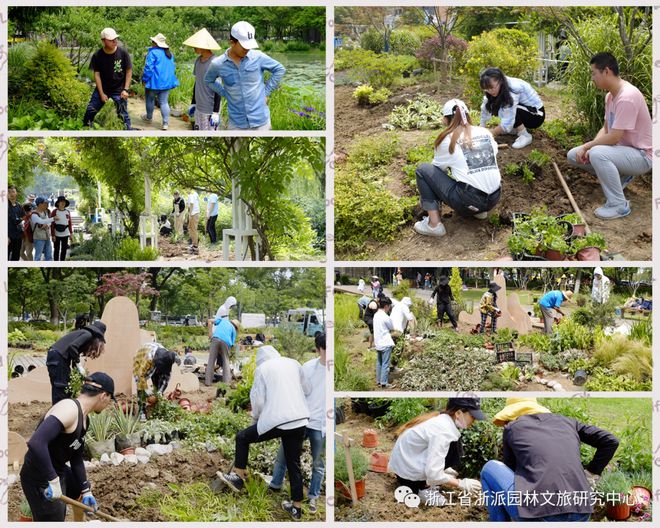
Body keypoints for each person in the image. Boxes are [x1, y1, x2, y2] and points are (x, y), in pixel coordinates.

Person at [481, 397, 619, 521]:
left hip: (538, 515)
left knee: (489, 468)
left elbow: (510, 470)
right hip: (582, 512)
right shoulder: (568, 422)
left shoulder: (512, 427)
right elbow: (610, 441)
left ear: (510, 415)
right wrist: (590, 473)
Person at [217, 346, 309, 521]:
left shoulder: (263, 369)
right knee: (293, 464)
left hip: (278, 421)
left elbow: (258, 399)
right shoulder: (294, 363)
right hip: (300, 420)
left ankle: (237, 477)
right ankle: (296, 509)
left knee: (242, 437)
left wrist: (257, 419)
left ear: (261, 360)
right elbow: (307, 388)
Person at [20, 372, 115, 522]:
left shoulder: (84, 419)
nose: (108, 403)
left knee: (79, 490)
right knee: (55, 520)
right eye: (110, 398)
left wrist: (86, 490)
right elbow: (36, 442)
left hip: (58, 469)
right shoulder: (69, 409)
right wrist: (52, 480)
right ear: (103, 395)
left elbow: (76, 458)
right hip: (39, 476)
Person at [567, 53, 652, 219]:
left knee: (597, 154)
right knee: (573, 155)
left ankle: (619, 205)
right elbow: (606, 129)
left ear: (606, 71)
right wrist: (588, 148)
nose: (592, 78)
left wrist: (588, 147)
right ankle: (622, 174)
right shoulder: (610, 96)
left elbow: (614, 137)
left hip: (641, 156)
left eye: (593, 73)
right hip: (622, 151)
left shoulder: (627, 97)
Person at [414, 99, 502, 237]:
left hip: (469, 202)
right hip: (493, 199)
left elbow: (437, 172)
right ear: (468, 115)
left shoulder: (448, 139)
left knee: (423, 170)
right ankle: (479, 212)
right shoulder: (485, 132)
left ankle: (434, 224)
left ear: (445, 120)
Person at [388, 398, 485, 507]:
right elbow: (434, 474)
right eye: (472, 416)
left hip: (405, 465)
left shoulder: (441, 420)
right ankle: (422, 489)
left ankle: (426, 481)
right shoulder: (443, 431)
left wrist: (444, 470)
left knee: (454, 442)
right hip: (409, 477)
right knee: (442, 501)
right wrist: (460, 483)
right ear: (458, 413)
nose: (474, 420)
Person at [270, 333, 326, 514]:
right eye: (325, 350)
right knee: (284, 455)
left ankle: (313, 498)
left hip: (321, 425)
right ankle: (275, 485)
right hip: (301, 419)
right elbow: (297, 389)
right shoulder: (308, 367)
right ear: (318, 350)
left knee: (318, 463)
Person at [204, 21, 286, 130]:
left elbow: (279, 69)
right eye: (244, 46)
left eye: (249, 45)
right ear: (232, 42)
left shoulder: (258, 57)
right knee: (235, 148)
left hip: (261, 121)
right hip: (236, 123)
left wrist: (266, 93)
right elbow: (208, 80)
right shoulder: (218, 64)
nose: (247, 49)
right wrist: (224, 92)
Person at [479, 67, 545, 149]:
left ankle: (525, 135)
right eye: (487, 89)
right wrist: (482, 127)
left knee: (510, 109)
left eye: (492, 87)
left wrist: (492, 132)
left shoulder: (513, 88)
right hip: (524, 109)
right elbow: (486, 105)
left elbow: (509, 116)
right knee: (496, 103)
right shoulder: (495, 88)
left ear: (500, 80)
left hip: (536, 115)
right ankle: (515, 128)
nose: (490, 91)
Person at [45, 321, 107, 405]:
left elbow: (73, 353)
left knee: (61, 386)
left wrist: (79, 373)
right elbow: (72, 347)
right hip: (58, 357)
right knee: (61, 387)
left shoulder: (83, 333)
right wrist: (79, 365)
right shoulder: (88, 335)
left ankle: (60, 410)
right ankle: (59, 412)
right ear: (98, 338)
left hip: (56, 356)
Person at [83, 28, 132, 130]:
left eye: (116, 39)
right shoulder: (98, 55)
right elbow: (97, 75)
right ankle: (85, 129)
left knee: (123, 115)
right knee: (90, 112)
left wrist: (126, 89)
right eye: (111, 40)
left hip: (119, 90)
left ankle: (127, 131)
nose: (115, 41)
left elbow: (128, 71)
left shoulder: (123, 53)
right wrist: (101, 94)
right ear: (103, 41)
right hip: (103, 88)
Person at [183, 28, 222, 131]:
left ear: (203, 46)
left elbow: (218, 88)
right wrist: (193, 102)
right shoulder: (198, 61)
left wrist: (216, 112)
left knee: (209, 138)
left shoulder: (215, 63)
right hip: (199, 108)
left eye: (196, 45)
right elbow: (197, 82)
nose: (193, 48)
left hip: (209, 109)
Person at [141, 33, 180, 131]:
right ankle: (165, 123)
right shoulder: (170, 54)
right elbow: (172, 68)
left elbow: (148, 68)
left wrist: (144, 79)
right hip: (166, 83)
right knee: (164, 102)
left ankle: (149, 118)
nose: (151, 43)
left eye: (152, 41)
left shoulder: (153, 53)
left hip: (153, 83)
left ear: (155, 43)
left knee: (150, 100)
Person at [134, 342, 181, 419]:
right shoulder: (148, 359)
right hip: (141, 357)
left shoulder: (169, 357)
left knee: (158, 381)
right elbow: (140, 376)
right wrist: (147, 391)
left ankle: (156, 407)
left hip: (157, 357)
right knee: (141, 386)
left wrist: (159, 393)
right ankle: (142, 409)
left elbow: (165, 379)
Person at [205, 307, 239, 386]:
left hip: (215, 338)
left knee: (211, 361)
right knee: (226, 362)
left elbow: (209, 321)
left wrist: (210, 334)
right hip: (226, 342)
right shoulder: (233, 330)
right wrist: (228, 354)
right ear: (236, 327)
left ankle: (208, 382)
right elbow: (231, 344)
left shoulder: (222, 320)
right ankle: (226, 383)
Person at [373, 297, 397, 388]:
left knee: (379, 362)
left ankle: (378, 381)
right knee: (385, 364)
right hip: (386, 343)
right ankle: (384, 383)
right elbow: (392, 327)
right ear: (386, 306)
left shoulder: (376, 315)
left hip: (378, 343)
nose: (389, 308)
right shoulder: (386, 317)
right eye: (389, 307)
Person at [50, 196, 73, 261]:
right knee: (56, 249)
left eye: (64, 202)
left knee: (64, 249)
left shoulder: (67, 212)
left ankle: (62, 262)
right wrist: (53, 235)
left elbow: (70, 223)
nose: (63, 203)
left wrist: (71, 233)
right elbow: (52, 224)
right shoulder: (54, 212)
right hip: (57, 233)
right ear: (58, 203)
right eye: (61, 202)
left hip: (65, 233)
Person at [32, 197, 55, 262]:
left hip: (47, 236)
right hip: (38, 237)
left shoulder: (45, 212)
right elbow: (41, 221)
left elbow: (49, 222)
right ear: (40, 204)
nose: (47, 205)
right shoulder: (34, 214)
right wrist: (53, 218)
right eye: (45, 203)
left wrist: (47, 224)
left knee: (49, 255)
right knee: (38, 256)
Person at [8, 185, 24, 261]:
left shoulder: (19, 205)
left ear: (16, 193)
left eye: (13, 192)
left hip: (18, 235)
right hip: (8, 236)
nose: (11, 194)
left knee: (16, 255)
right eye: (9, 192)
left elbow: (23, 218)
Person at [187, 189, 200, 253]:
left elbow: (191, 204)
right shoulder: (195, 193)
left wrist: (190, 214)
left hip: (193, 214)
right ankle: (194, 244)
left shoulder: (191, 194)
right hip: (195, 213)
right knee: (192, 229)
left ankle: (195, 246)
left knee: (193, 229)